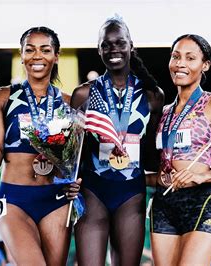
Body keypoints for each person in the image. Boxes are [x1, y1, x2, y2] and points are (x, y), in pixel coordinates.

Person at [0, 26, 81, 265]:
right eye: (30, 50)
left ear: (56, 56)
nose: (37, 56)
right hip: (14, 199)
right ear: (21, 55)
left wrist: (76, 180)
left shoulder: (68, 103)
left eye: (45, 50)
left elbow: (75, 161)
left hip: (56, 199)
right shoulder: (3, 97)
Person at [70, 16, 164, 265]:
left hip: (130, 194)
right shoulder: (83, 94)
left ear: (131, 46)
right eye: (106, 44)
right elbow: (74, 153)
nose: (114, 50)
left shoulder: (152, 95)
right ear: (98, 49)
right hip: (92, 192)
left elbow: (153, 153)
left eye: (120, 43)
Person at [149, 34, 211, 265]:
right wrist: (156, 178)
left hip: (200, 202)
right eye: (175, 57)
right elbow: (156, 166)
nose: (180, 63)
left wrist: (203, 176)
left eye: (190, 58)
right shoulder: (163, 113)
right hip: (163, 204)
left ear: (205, 65)